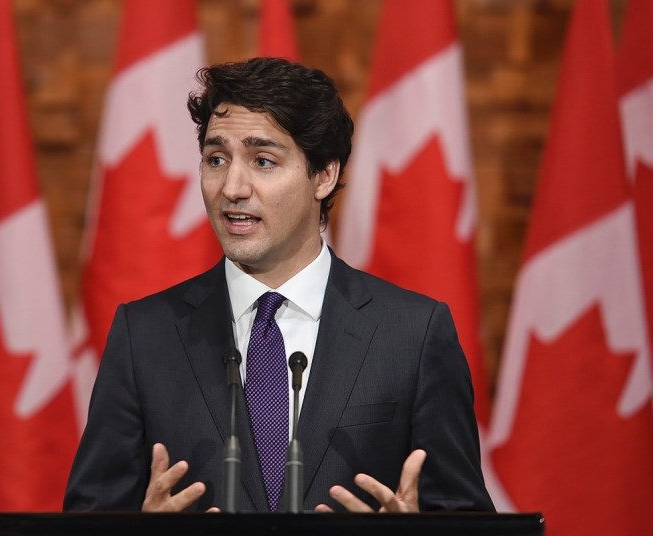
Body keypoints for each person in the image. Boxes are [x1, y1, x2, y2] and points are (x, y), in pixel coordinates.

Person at [63, 57, 494, 513]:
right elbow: (87, 517)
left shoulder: (413, 334)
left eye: (262, 161)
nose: (231, 187)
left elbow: (466, 516)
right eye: (216, 159)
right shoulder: (144, 335)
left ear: (323, 175)